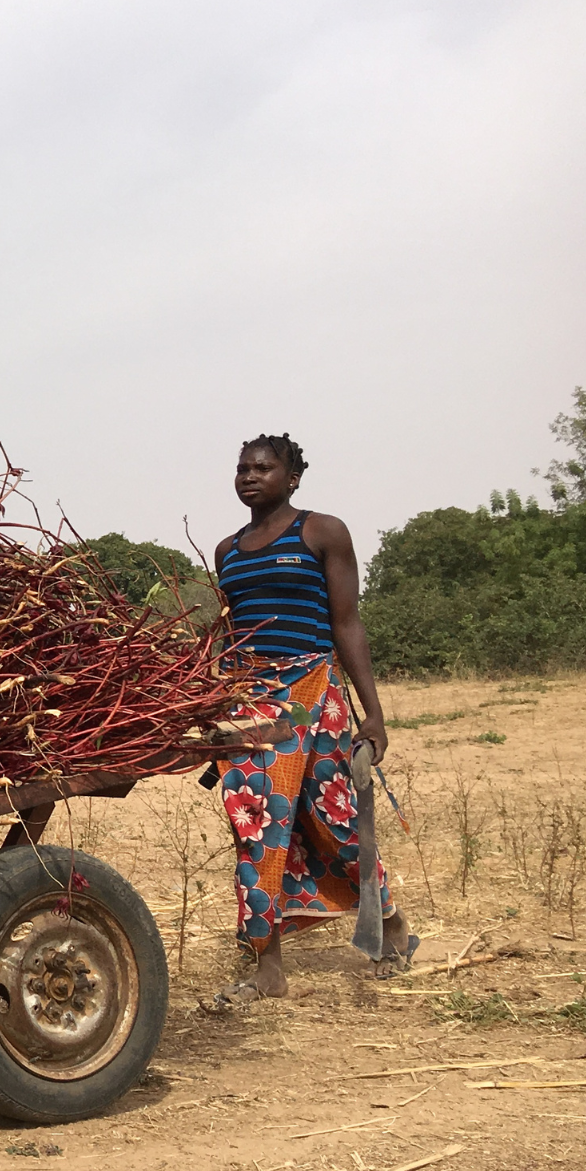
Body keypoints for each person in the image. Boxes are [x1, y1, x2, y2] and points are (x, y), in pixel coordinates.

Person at [204, 433, 414, 1011]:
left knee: (334, 822)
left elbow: (347, 623)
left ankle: (389, 921)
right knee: (256, 824)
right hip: (250, 702)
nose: (249, 476)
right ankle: (268, 967)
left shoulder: (322, 532)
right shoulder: (228, 550)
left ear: (292, 477)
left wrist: (373, 714)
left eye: (263, 468)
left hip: (312, 694)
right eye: (242, 467)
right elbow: (230, 635)